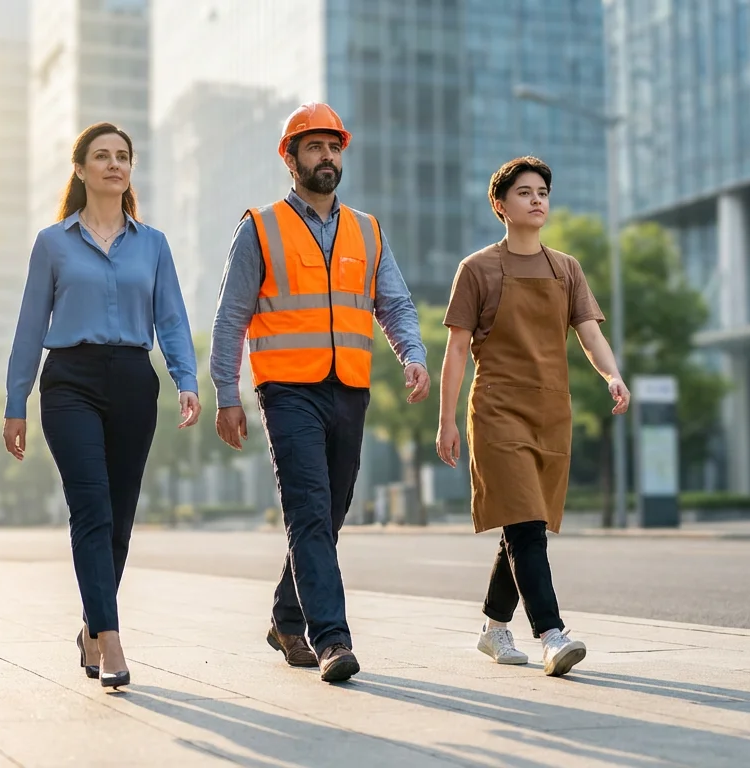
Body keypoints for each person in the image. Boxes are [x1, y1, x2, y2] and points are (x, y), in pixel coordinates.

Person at [210, 102, 429, 683]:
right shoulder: (260, 227)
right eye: (313, 147)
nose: (326, 156)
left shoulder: (367, 229)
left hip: (350, 386)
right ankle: (331, 639)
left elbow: (395, 303)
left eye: (334, 147)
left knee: (328, 514)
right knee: (308, 510)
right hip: (286, 391)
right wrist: (225, 392)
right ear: (290, 158)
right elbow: (231, 315)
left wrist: (413, 353)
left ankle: (286, 617)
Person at [3, 122, 200, 691]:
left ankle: (91, 625)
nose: (114, 164)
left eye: (123, 157)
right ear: (81, 169)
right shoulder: (53, 243)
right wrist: (16, 402)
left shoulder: (153, 244)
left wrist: (186, 377)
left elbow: (171, 318)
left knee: (118, 516)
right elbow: (28, 326)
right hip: (69, 381)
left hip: (135, 382)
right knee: (90, 508)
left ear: (130, 170)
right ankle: (111, 639)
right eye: (102, 156)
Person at [435, 156, 629, 676]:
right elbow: (455, 350)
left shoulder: (566, 269)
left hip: (550, 410)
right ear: (500, 206)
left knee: (524, 522)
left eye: (543, 191)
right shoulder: (476, 270)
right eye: (524, 192)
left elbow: (589, 333)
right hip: (497, 408)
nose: (537, 199)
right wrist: (446, 420)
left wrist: (611, 374)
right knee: (526, 526)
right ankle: (552, 633)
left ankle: (495, 627)